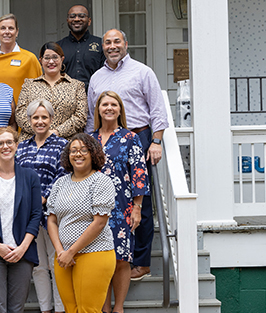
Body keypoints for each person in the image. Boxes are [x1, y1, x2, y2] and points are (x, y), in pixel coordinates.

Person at [86, 28, 169, 281]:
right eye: (108, 42)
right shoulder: (97, 77)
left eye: (117, 41)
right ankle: (110, 256)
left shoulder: (143, 72)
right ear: (103, 47)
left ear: (126, 44)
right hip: (105, 139)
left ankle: (141, 261)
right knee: (105, 201)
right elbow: (92, 115)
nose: (112, 46)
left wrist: (156, 141)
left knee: (139, 200)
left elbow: (157, 109)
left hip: (138, 136)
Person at [90, 91, 149, 313]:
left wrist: (137, 207)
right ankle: (104, 307)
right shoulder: (90, 139)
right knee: (100, 260)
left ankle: (119, 308)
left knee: (121, 259)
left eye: (114, 104)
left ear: (120, 109)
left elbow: (139, 174)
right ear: (98, 109)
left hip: (122, 205)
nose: (109, 108)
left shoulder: (130, 138)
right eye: (105, 104)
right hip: (93, 209)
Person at [0, 127, 42, 313]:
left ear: (16, 145)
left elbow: (36, 215)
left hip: (22, 251)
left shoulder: (30, 177)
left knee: (17, 308)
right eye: (0, 143)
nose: (5, 146)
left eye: (9, 142)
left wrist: (22, 248)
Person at [46, 133, 116, 313]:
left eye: (84, 150)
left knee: (88, 310)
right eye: (74, 150)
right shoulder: (61, 183)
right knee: (71, 309)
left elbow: (99, 223)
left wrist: (71, 251)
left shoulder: (101, 181)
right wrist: (61, 252)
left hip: (94, 253)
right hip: (63, 257)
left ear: (93, 154)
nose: (78, 154)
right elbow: (52, 220)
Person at [15, 99, 67, 313]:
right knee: (38, 265)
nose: (40, 121)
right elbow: (16, 176)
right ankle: (45, 309)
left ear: (52, 119)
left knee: (57, 262)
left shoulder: (62, 145)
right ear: (28, 121)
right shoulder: (22, 147)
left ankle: (61, 309)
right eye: (35, 117)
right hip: (27, 214)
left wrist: (43, 198)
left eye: (44, 117)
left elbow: (63, 176)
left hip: (53, 213)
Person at [16, 42, 87, 141]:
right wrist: (41, 131)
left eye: (55, 57)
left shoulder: (77, 86)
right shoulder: (29, 85)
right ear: (40, 61)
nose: (51, 61)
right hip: (32, 142)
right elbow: (20, 113)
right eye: (47, 58)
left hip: (67, 143)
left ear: (62, 59)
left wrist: (56, 132)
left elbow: (81, 116)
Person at [0, 13, 42, 105]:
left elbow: (39, 91)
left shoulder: (29, 59)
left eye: (11, 28)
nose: (7, 32)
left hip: (20, 116)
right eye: (3, 28)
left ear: (17, 32)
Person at [57, 5, 105, 91]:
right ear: (67, 20)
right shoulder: (58, 47)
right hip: (65, 98)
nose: (76, 19)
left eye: (81, 16)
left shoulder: (101, 45)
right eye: (72, 16)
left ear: (89, 21)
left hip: (94, 96)